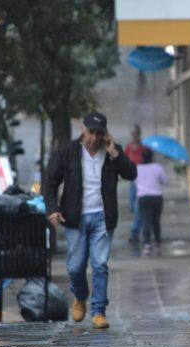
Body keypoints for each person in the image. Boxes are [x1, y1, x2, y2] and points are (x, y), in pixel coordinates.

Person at [43, 111, 137, 329]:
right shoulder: (68, 152)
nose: (94, 138)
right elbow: (50, 182)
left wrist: (115, 153)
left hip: (103, 218)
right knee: (75, 267)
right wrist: (52, 210)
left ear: (105, 134)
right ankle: (80, 296)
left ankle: (98, 311)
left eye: (98, 133)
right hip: (75, 218)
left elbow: (131, 174)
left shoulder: (112, 152)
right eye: (90, 132)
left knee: (100, 264)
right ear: (82, 130)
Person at [135, 148, 166, 256]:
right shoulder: (158, 167)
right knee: (156, 220)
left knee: (146, 221)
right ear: (152, 157)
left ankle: (147, 245)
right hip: (157, 197)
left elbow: (135, 182)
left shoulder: (137, 168)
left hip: (143, 197)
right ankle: (158, 242)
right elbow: (164, 181)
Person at [124, 125, 146, 242]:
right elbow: (123, 161)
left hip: (142, 180)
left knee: (138, 208)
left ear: (139, 134)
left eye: (136, 133)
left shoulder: (143, 148)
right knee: (133, 207)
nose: (134, 135)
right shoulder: (128, 148)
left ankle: (135, 232)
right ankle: (143, 226)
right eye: (132, 133)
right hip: (132, 180)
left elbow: (148, 162)